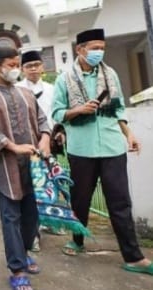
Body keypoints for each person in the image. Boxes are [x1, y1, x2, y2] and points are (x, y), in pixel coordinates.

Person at [52, 28, 153, 275]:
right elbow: (56, 113)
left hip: (111, 147)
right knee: (80, 200)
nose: (99, 52)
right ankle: (77, 241)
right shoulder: (64, 79)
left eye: (102, 47)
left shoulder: (110, 75)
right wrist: (79, 110)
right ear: (80, 50)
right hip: (81, 149)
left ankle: (133, 256)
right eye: (94, 47)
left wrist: (129, 135)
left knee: (120, 202)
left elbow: (118, 110)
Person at [0, 47, 51, 290]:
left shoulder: (26, 94)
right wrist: (13, 147)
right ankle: (17, 269)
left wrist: (45, 140)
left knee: (32, 214)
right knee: (10, 217)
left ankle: (26, 251)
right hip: (5, 166)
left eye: (17, 64)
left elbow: (42, 121)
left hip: (33, 164)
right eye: (11, 64)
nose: (16, 69)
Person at [17, 50, 62, 249]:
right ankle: (32, 233)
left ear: (42, 66)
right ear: (22, 69)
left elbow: (58, 115)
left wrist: (58, 133)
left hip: (49, 143)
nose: (33, 68)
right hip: (26, 145)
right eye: (29, 66)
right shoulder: (16, 89)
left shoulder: (53, 89)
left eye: (36, 64)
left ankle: (50, 222)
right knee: (31, 188)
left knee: (51, 184)